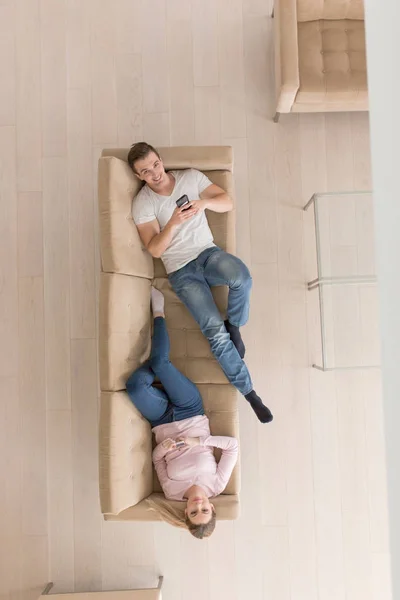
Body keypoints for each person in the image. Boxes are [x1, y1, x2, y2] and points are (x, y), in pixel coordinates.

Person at [129, 141, 273, 425]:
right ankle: (250, 392)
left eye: (155, 165)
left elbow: (227, 202)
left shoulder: (190, 177)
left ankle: (235, 323)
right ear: (139, 177)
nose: (155, 174)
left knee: (241, 278)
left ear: (161, 159)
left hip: (208, 254)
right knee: (213, 333)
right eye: (146, 172)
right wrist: (173, 222)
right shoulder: (143, 203)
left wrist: (203, 202)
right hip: (181, 270)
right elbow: (155, 250)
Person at [126, 288, 239, 539]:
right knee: (161, 364)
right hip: (190, 411)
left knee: (134, 387)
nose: (198, 504)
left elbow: (157, 460)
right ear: (212, 507)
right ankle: (159, 313)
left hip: (162, 421)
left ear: (185, 512)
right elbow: (232, 446)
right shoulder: (217, 485)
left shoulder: (171, 493)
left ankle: (154, 360)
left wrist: (165, 447)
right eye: (204, 509)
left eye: (194, 511)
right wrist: (196, 441)